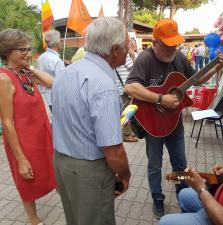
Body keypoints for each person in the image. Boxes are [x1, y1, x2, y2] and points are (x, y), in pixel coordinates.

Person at [124, 18, 223, 219]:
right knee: (154, 166)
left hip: (175, 125)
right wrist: (160, 98)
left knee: (180, 166)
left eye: (175, 44)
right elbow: (130, 87)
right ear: (155, 43)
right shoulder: (145, 59)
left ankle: (184, 197)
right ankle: (157, 200)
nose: (172, 50)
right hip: (153, 125)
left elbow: (197, 79)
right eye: (167, 46)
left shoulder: (179, 58)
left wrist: (216, 67)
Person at [52, 17, 131, 225]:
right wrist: (125, 174)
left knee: (74, 219)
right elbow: (113, 151)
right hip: (88, 172)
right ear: (114, 49)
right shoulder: (103, 85)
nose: (129, 51)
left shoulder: (66, 73)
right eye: (126, 47)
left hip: (62, 163)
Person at [0, 28, 56, 225]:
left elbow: (53, 83)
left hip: (42, 135)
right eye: (23, 50)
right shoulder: (3, 78)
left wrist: (29, 68)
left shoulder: (23, 73)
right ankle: (34, 221)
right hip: (23, 141)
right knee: (27, 181)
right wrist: (21, 159)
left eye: (28, 49)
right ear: (8, 52)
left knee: (52, 171)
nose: (28, 53)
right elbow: (7, 123)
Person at [116, 40, 139, 142]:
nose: (132, 43)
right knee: (127, 111)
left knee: (126, 110)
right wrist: (133, 55)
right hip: (124, 87)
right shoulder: (125, 55)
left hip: (121, 87)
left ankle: (128, 132)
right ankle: (126, 134)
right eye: (130, 41)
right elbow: (135, 69)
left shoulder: (119, 53)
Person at [37, 29, 65, 111]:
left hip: (43, 98)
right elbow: (61, 83)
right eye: (61, 40)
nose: (61, 42)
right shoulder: (56, 60)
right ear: (57, 43)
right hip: (54, 99)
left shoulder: (41, 57)